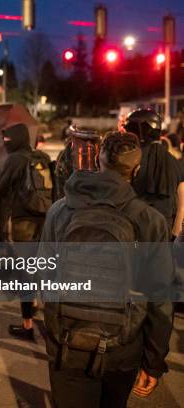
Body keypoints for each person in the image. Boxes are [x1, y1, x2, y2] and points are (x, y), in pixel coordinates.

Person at [38, 131, 174, 407]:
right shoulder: (151, 220)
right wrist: (153, 361)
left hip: (68, 343)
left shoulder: (60, 211)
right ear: (136, 171)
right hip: (122, 347)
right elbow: (160, 298)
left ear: (98, 162)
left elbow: (43, 276)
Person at [0, 123, 52, 339]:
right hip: (46, 218)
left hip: (24, 221)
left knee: (25, 271)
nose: (5, 143)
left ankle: (27, 325)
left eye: (8, 140)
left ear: (18, 139)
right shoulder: (42, 157)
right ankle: (42, 308)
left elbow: (0, 188)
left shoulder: (15, 159)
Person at [125, 108, 184, 236]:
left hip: (137, 233)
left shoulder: (131, 160)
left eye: (131, 129)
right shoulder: (176, 162)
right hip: (166, 234)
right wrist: (174, 236)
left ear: (142, 130)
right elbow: (182, 205)